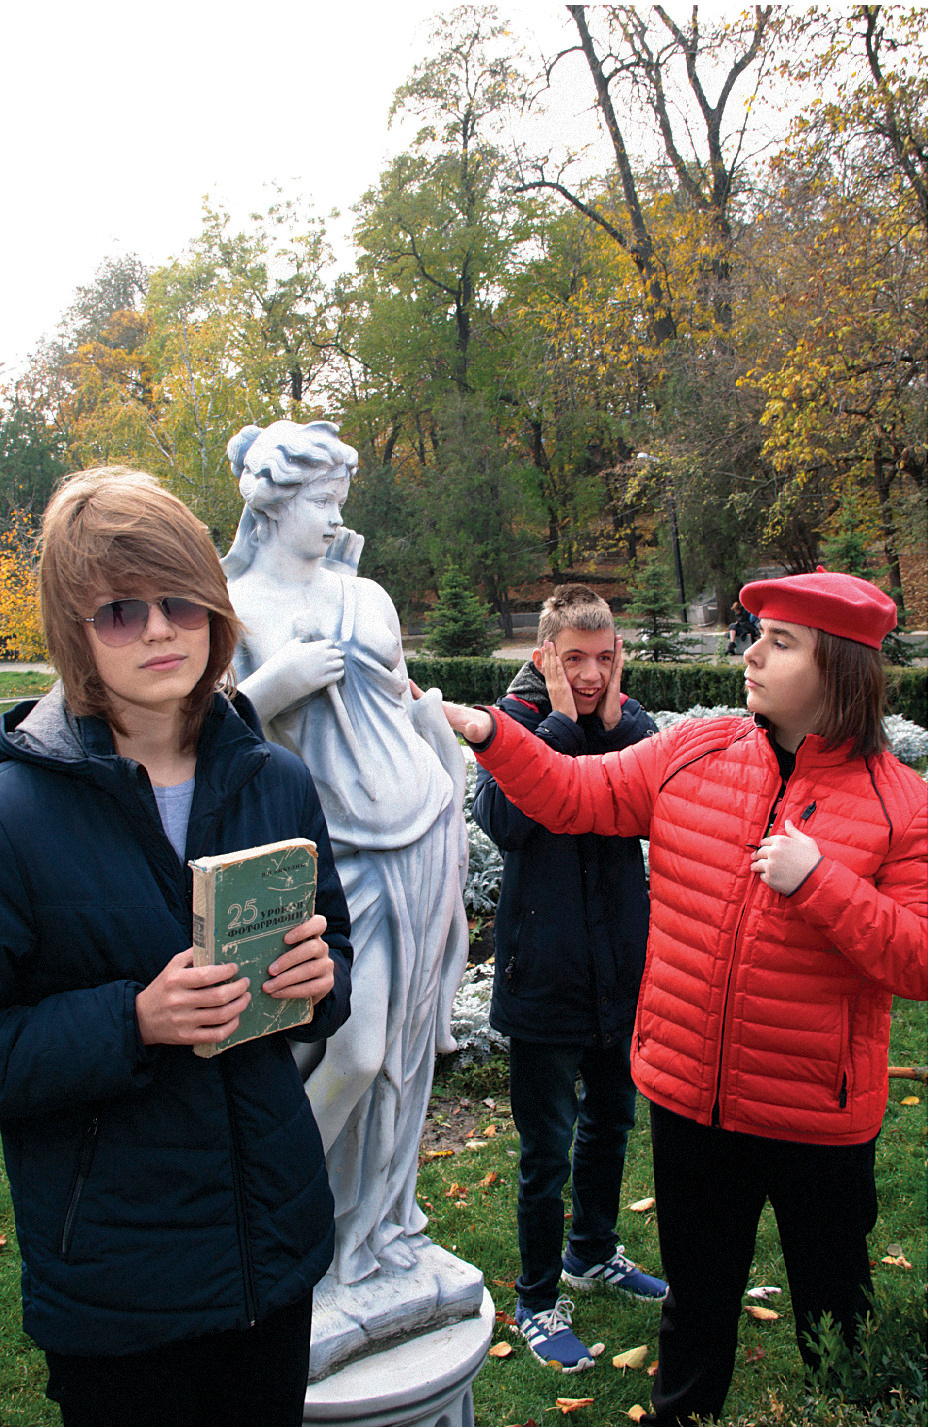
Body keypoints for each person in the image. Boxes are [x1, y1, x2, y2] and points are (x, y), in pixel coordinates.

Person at [439, 570, 926, 1422]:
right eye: (754, 634)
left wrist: (821, 883)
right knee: (695, 1315)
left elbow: (919, 961)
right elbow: (573, 794)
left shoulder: (901, 805)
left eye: (780, 642)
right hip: (692, 1104)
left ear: (839, 667)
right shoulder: (696, 750)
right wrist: (489, 730)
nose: (752, 654)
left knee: (835, 1324)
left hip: (816, 1114)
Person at [0, 468, 353, 1427]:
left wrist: (318, 982)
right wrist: (134, 1020)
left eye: (179, 600)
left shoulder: (274, 777)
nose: (158, 628)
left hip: (270, 1257)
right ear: (75, 631)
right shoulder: (16, 811)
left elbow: (332, 961)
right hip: (121, 1289)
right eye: (118, 610)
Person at [222, 420, 469, 1286]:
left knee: (399, 1057)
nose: (335, 519)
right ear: (274, 500)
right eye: (322, 502)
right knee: (347, 1052)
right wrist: (266, 689)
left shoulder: (366, 597)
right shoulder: (235, 610)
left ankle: (375, 1225)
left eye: (340, 503)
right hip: (334, 854)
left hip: (422, 831)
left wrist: (451, 760)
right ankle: (268, 1216)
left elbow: (402, 705)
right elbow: (209, 746)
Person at [470, 585, 666, 1373]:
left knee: (612, 1122)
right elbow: (505, 820)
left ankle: (592, 1250)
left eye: (604, 656)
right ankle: (538, 1297)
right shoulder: (513, 722)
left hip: (619, 975)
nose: (590, 674)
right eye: (575, 658)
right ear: (545, 654)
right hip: (542, 976)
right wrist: (555, 721)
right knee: (546, 1148)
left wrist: (616, 718)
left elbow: (662, 798)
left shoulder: (628, 720)